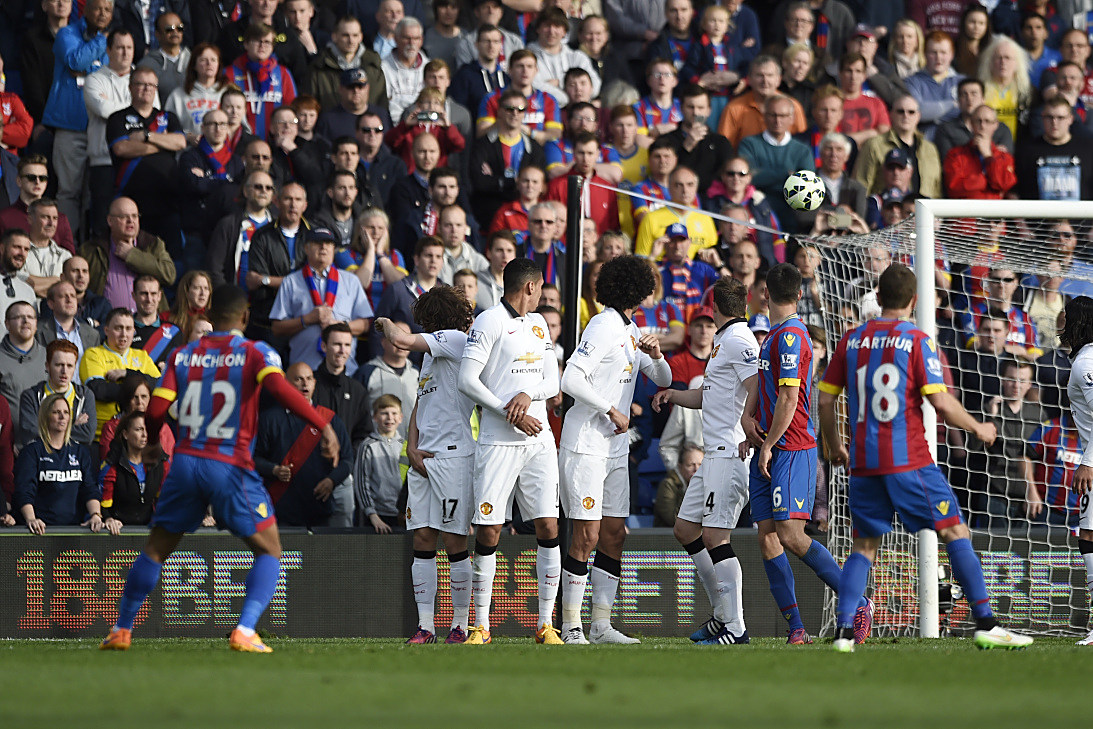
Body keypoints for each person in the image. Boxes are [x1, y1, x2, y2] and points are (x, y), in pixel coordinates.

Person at [101, 284, 340, 652]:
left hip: (184, 464)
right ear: (245, 317)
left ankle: (121, 629)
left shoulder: (184, 355)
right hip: (228, 464)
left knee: (155, 549)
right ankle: (244, 630)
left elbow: (157, 410)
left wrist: (151, 443)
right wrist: (321, 424)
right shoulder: (252, 352)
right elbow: (280, 389)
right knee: (270, 549)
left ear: (209, 313)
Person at [818, 262, 1033, 651]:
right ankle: (986, 623)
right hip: (909, 460)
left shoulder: (850, 340)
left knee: (864, 546)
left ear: (878, 298)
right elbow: (940, 401)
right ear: (915, 301)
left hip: (864, 462)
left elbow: (825, 397)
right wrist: (979, 428)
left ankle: (845, 632)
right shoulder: (916, 340)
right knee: (955, 530)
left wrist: (835, 445)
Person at [739, 263, 869, 644]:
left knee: (792, 535)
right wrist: (750, 422)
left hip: (791, 447)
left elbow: (790, 396)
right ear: (799, 294)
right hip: (768, 444)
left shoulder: (793, 336)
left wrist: (767, 444)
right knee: (767, 537)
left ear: (764, 293)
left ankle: (857, 601)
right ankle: (797, 629)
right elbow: (765, 390)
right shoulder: (774, 334)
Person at [558, 256, 670, 644]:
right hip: (586, 444)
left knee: (614, 534)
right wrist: (610, 409)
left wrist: (656, 356)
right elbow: (571, 378)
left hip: (615, 450)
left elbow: (664, 379)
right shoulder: (603, 324)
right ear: (636, 289)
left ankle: (601, 625)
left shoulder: (631, 328)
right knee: (586, 535)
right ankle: (571, 626)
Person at [457, 257, 561, 644]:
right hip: (498, 441)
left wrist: (526, 394)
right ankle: (480, 626)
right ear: (530, 287)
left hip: (538, 439)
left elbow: (552, 380)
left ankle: (545, 624)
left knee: (548, 525)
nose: (542, 296)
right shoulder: (489, 321)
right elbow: (468, 380)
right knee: (489, 529)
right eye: (540, 289)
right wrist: (507, 411)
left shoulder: (537, 324)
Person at [652, 277, 757, 644]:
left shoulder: (740, 339)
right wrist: (672, 394)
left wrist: (748, 424)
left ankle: (736, 626)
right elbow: (707, 397)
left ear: (715, 307)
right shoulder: (724, 342)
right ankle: (721, 616)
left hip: (729, 454)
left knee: (715, 536)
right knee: (685, 529)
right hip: (711, 454)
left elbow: (756, 383)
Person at [371, 285, 475, 641]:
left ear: (432, 319)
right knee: (423, 538)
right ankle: (425, 626)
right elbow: (420, 405)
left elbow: (399, 339)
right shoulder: (431, 355)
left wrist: (384, 321)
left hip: (453, 455)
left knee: (454, 540)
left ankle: (460, 623)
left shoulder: (455, 339)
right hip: (423, 459)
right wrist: (412, 447)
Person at [44, 0, 112, 243]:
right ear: (85, 10)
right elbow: (74, 61)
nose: (103, 14)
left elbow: (109, 74)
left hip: (99, 129)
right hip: (69, 128)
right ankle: (66, 249)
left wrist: (89, 68)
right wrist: (100, 43)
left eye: (108, 10)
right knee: (68, 193)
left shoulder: (114, 39)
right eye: (98, 8)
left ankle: (86, 253)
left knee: (91, 196)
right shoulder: (67, 33)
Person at [255, 361, 352, 527]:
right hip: (281, 510)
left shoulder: (329, 419)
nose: (305, 384)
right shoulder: (269, 419)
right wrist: (274, 470)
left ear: (315, 383)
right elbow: (254, 458)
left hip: (320, 508)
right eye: (298, 379)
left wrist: (332, 480)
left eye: (308, 379)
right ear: (286, 384)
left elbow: (347, 460)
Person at [106, 67, 188, 256]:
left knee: (172, 258)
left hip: (168, 204)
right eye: (141, 84)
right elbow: (122, 148)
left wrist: (147, 136)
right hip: (133, 204)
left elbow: (180, 142)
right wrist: (164, 143)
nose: (147, 88)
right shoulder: (117, 118)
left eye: (151, 85)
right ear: (130, 87)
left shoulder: (168, 117)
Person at [269, 226, 373, 375]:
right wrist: (306, 319)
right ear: (306, 248)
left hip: (345, 371)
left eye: (329, 243)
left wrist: (339, 326)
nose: (323, 247)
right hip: (305, 372)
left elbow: (365, 324)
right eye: (318, 242)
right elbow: (277, 328)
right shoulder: (291, 282)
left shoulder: (351, 281)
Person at [14, 394, 100, 534]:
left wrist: (95, 515)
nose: (62, 417)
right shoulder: (32, 452)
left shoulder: (80, 452)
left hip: (73, 531)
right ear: (46, 416)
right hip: (39, 531)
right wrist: (31, 519)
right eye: (56, 412)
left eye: (66, 412)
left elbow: (90, 488)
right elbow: (24, 491)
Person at [80, 197, 177, 312]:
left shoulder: (152, 244)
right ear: (110, 221)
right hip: (106, 324)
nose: (131, 220)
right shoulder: (92, 249)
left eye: (135, 216)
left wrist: (133, 256)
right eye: (124, 217)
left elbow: (169, 275)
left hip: (148, 325)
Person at [79, 308, 161, 439]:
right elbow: (99, 390)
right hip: (102, 435)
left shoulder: (142, 356)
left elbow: (160, 386)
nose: (124, 334)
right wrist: (141, 388)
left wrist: (128, 374)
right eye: (118, 328)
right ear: (106, 330)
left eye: (128, 329)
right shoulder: (93, 355)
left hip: (139, 436)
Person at [225, 23, 298, 140]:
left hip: (275, 143)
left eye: (267, 42)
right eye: (257, 41)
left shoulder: (283, 74)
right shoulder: (229, 73)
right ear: (246, 44)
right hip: (238, 142)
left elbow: (292, 109)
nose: (262, 46)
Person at [19, 340, 96, 448]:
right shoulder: (31, 396)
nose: (64, 371)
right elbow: (30, 435)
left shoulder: (85, 395)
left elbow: (87, 435)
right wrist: (74, 426)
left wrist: (47, 429)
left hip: (75, 461)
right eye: (59, 365)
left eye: (70, 366)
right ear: (47, 366)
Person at [99, 410, 166, 532]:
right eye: (139, 429)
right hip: (118, 532)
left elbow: (164, 500)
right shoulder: (112, 465)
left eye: (147, 429)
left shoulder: (159, 463)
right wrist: (108, 519)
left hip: (148, 532)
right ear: (125, 434)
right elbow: (103, 505)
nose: (145, 434)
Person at [1015, 96, 1093, 201]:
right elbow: (1018, 191)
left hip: (1081, 216)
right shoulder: (1027, 150)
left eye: (1060, 117)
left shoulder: (1088, 148)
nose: (1054, 123)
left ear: (1070, 119)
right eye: (1049, 117)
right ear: (1042, 117)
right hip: (1039, 216)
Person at [307, 16, 387, 112]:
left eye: (355, 35)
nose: (351, 41)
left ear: (361, 37)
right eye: (345, 35)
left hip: (367, 124)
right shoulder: (319, 66)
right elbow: (311, 104)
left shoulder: (373, 65)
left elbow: (382, 103)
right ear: (334, 36)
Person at [0, 155, 76, 255]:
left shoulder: (60, 220)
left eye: (43, 178)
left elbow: (70, 262)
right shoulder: (4, 218)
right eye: (31, 177)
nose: (37, 182)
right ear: (19, 181)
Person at [313, 322, 372, 447]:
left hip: (346, 464)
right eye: (337, 344)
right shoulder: (309, 385)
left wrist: (349, 459)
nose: (342, 350)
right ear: (324, 346)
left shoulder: (358, 391)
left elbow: (364, 433)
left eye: (347, 345)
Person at [354, 393, 405, 531]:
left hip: (403, 515)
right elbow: (361, 483)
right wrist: (372, 514)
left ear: (401, 418)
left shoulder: (405, 446)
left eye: (394, 413)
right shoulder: (368, 446)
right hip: (377, 516)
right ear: (375, 417)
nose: (390, 418)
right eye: (384, 413)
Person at [943, 105, 1017, 200]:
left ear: (995, 125)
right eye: (978, 121)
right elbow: (953, 189)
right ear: (971, 124)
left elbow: (1004, 184)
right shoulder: (955, 155)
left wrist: (988, 156)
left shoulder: (1005, 157)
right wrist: (987, 181)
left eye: (987, 121)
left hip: (994, 213)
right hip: (966, 212)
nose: (982, 126)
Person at [904, 31, 963, 141]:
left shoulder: (963, 82)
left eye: (943, 52)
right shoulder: (912, 82)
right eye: (933, 52)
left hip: (957, 143)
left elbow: (967, 114)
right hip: (925, 144)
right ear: (924, 54)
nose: (938, 57)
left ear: (952, 55)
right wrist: (953, 104)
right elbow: (918, 112)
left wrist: (933, 114)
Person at [165, 43, 229, 139]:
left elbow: (238, 126)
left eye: (213, 60)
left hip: (222, 151)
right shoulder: (178, 95)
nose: (209, 63)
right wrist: (187, 137)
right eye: (203, 60)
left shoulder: (227, 93)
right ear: (194, 65)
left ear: (219, 65)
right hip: (189, 150)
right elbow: (167, 128)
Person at [0, 300, 47, 421]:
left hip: (44, 438)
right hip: (8, 438)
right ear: (7, 324)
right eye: (18, 317)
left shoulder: (50, 357)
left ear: (36, 324)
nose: (26, 321)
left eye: (30, 317)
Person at [22, 200, 72, 299]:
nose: (51, 223)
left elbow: (70, 289)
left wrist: (34, 283)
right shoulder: (19, 252)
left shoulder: (65, 256)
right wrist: (57, 280)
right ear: (30, 219)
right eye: (45, 217)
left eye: (55, 218)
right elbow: (21, 285)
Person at [654, 442, 701, 527]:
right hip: (668, 537)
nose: (696, 469)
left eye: (700, 465)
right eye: (690, 465)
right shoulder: (668, 485)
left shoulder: (708, 487)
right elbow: (674, 520)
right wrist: (693, 489)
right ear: (680, 467)